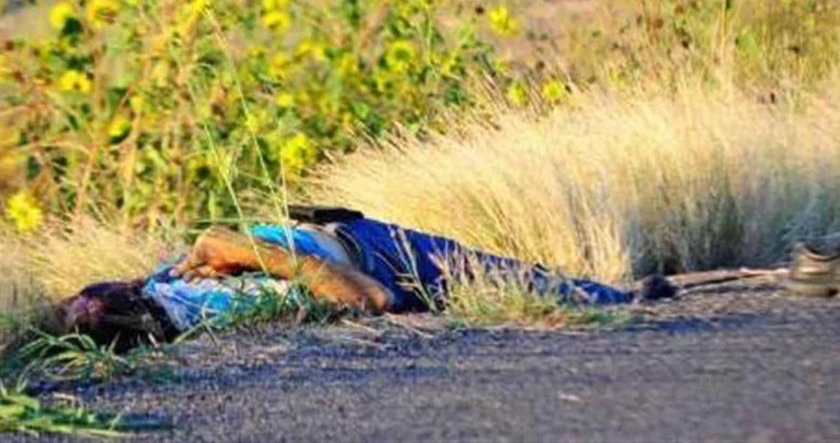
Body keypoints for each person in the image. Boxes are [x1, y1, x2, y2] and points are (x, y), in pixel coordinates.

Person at [38, 206, 677, 351]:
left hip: (350, 240)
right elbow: (371, 299)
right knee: (513, 279)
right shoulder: (204, 312)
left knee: (514, 277)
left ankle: (614, 297)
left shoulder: (169, 290)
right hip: (375, 259)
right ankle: (622, 302)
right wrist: (255, 251)